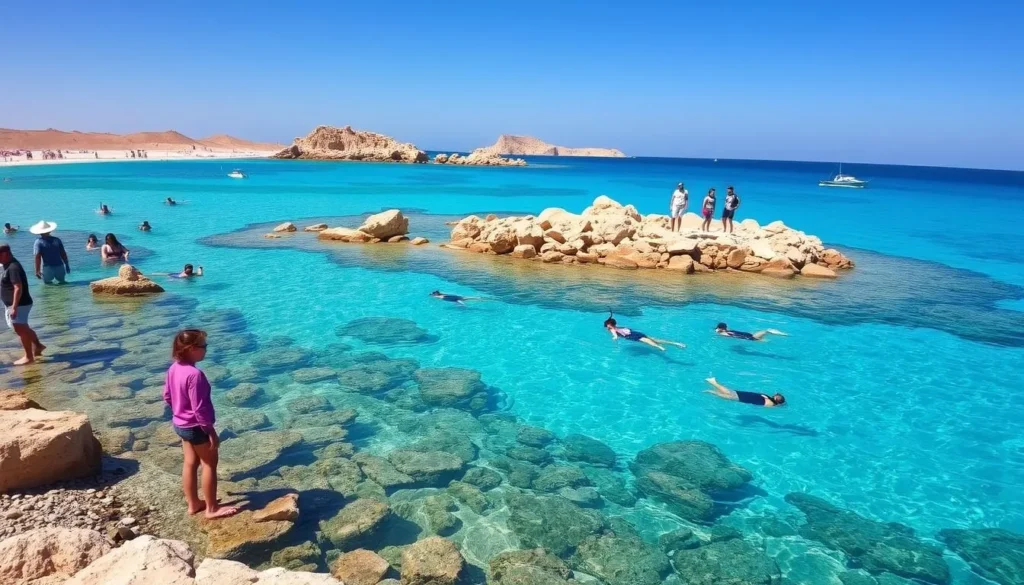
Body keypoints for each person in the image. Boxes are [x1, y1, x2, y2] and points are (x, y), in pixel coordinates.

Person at [163, 329, 240, 519]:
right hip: (196, 427)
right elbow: (199, 410)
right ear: (191, 349)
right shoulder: (194, 375)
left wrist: (179, 412)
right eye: (203, 346)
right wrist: (211, 432)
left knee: (190, 463)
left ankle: (193, 503)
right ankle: (212, 509)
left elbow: (167, 395)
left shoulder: (174, 368)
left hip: (180, 424)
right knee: (209, 464)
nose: (206, 349)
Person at [1, 244, 44, 365]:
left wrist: (14, 307)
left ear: (5, 254)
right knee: (23, 328)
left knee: (20, 329)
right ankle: (38, 346)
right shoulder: (7, 264)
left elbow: (18, 287)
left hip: (20, 304)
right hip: (16, 304)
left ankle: (29, 357)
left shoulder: (13, 267)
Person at [603, 314, 685, 351]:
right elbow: (624, 329)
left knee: (649, 342)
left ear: (609, 325)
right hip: (634, 332)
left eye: (607, 325)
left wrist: (614, 338)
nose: (606, 326)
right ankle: (676, 344)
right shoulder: (617, 326)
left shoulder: (612, 330)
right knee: (656, 340)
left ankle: (660, 347)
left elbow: (615, 335)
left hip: (632, 336)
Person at [705, 377, 785, 407]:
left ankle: (713, 384)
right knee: (729, 397)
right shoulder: (771, 404)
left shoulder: (767, 396)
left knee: (730, 393)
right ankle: (712, 387)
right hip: (746, 398)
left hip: (747, 395)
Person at [715, 322, 787, 341]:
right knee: (763, 338)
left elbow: (730, 336)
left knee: (765, 333)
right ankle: (768, 332)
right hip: (749, 335)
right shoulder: (728, 330)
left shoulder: (724, 333)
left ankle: (769, 331)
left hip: (751, 338)